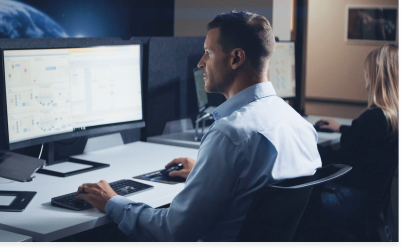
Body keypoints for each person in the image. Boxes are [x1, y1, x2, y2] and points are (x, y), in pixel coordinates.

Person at [75, 11, 321, 242]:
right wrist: (203, 173)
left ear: (236, 58)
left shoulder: (230, 134)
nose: (201, 62)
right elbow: (256, 194)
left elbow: (174, 230)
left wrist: (112, 201)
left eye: (208, 53)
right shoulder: (300, 125)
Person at [313, 44, 399, 231]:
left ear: (375, 77)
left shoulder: (371, 119)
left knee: (304, 201)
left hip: (350, 202)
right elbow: (363, 138)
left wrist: (308, 145)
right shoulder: (388, 117)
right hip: (371, 204)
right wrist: (341, 127)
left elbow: (339, 163)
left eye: (366, 72)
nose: (364, 77)